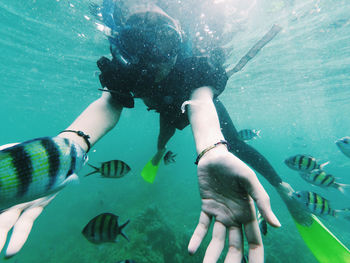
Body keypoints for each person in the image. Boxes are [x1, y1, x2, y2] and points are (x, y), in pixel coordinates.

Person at [0, 1, 282, 262]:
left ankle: (283, 186)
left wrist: (213, 148)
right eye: (137, 41)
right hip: (164, 107)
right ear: (123, 43)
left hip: (188, 95)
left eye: (164, 40)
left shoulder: (194, 61)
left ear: (181, 32)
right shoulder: (128, 70)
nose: (153, 59)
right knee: (164, 136)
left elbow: (201, 102)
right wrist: (67, 148)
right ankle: (159, 153)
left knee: (233, 142)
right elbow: (110, 102)